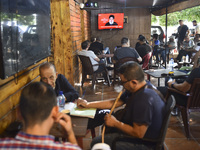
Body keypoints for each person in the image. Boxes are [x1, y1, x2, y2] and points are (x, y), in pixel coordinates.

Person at [77, 62, 166, 149]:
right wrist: (87, 105)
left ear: (134, 82)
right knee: (108, 128)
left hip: (145, 143)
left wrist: (115, 123)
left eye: (123, 82)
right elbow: (114, 103)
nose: (121, 85)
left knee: (97, 143)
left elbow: (138, 133)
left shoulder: (143, 99)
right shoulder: (142, 86)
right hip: (139, 133)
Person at [0, 82, 81, 150]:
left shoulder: (2, 145)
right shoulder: (68, 148)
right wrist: (70, 134)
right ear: (55, 111)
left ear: (18, 112)